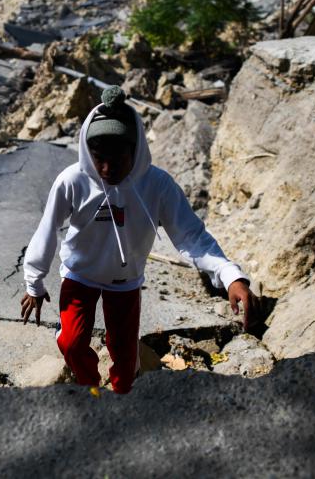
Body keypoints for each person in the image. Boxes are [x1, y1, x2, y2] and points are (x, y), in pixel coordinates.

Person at [20, 85, 260, 394]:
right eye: (98, 158)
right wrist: (34, 283)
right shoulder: (73, 180)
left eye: (118, 158)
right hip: (81, 275)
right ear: (87, 151)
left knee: (124, 355)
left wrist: (230, 276)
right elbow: (47, 229)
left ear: (136, 150)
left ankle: (123, 400)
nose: (107, 169)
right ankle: (88, 390)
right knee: (71, 342)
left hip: (125, 282)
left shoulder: (157, 185)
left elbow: (190, 235)